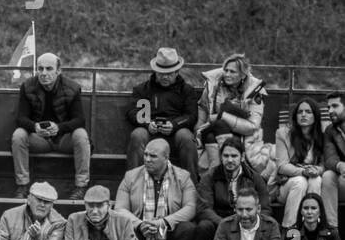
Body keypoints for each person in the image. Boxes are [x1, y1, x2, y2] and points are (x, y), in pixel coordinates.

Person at [115, 138, 199, 240]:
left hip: (169, 229)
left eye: (153, 156)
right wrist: (140, 224)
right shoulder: (130, 177)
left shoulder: (183, 177)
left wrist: (164, 222)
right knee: (122, 233)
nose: (147, 159)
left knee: (189, 229)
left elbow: (191, 208)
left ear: (166, 157)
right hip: (141, 229)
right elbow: (119, 209)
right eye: (145, 154)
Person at [189, 139, 273, 240]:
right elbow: (204, 208)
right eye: (226, 155)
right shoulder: (210, 176)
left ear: (242, 157)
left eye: (234, 156)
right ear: (221, 157)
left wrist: (251, 222)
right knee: (203, 227)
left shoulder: (254, 178)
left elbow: (266, 209)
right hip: (218, 221)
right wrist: (225, 224)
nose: (229, 160)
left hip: (247, 220)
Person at [11, 53, 90, 200]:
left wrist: (59, 127)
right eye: (40, 69)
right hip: (39, 140)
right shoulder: (27, 86)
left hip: (64, 139)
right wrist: (35, 127)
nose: (44, 73)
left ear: (58, 71)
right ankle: (22, 186)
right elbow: (20, 119)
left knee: (81, 134)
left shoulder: (72, 88)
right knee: (18, 135)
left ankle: (81, 187)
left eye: (49, 69)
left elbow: (80, 120)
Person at [195, 53, 273, 181]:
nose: (227, 74)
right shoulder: (213, 85)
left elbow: (253, 126)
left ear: (243, 75)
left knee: (217, 127)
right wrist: (199, 125)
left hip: (242, 136)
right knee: (216, 127)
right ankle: (224, 176)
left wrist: (222, 116)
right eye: (225, 70)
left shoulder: (254, 91)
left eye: (232, 72)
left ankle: (218, 175)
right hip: (212, 130)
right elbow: (202, 107)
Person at [125, 48, 200, 178]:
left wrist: (175, 125)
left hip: (176, 132)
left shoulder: (187, 91)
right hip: (149, 132)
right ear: (155, 71)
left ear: (177, 72)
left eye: (169, 73)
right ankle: (133, 182)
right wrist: (147, 124)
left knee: (187, 137)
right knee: (137, 135)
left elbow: (191, 116)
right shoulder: (143, 89)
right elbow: (132, 112)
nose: (165, 77)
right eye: (161, 73)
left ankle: (191, 184)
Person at [275, 97, 336, 228]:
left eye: (308, 112)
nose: (303, 115)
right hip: (287, 185)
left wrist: (318, 171)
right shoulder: (283, 134)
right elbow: (281, 166)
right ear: (295, 116)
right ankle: (290, 230)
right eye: (300, 112)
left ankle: (312, 227)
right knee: (300, 181)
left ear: (315, 115)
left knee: (316, 180)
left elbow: (326, 163)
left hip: (312, 183)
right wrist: (304, 172)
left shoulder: (323, 135)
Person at [323, 91, 345, 228]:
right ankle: (332, 231)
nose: (330, 111)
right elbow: (329, 157)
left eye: (335, 106)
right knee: (328, 176)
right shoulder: (330, 131)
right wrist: (340, 165)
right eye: (328, 108)